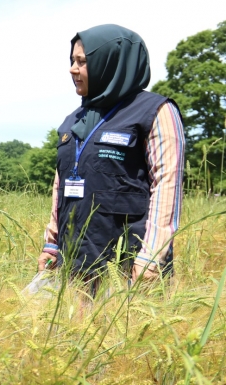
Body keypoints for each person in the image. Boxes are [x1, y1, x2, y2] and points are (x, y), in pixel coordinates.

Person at [37, 24, 185, 289]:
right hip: (75, 263)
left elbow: (167, 185)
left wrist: (151, 258)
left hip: (129, 267)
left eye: (82, 61)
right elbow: (60, 185)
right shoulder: (74, 120)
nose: (72, 69)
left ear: (110, 63)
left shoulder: (155, 111)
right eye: (72, 60)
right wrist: (51, 243)